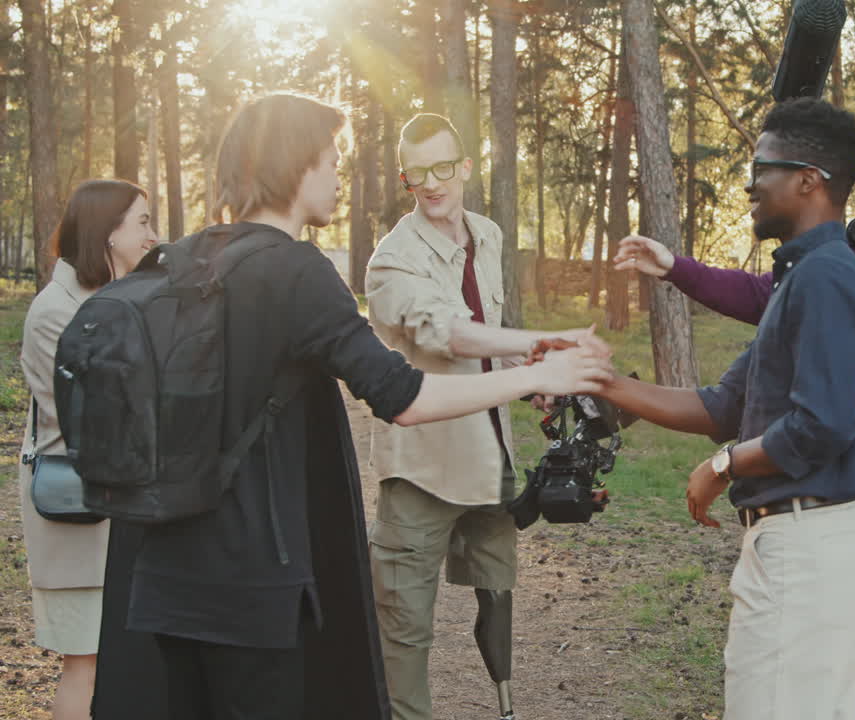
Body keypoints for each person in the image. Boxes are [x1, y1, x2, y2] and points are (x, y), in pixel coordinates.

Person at [93, 93, 611, 720]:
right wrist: (548, 368)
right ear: (298, 166)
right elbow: (403, 395)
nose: (340, 176)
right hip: (256, 579)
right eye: (332, 161)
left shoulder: (186, 256)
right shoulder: (299, 270)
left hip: (163, 570)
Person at [614, 121, 855, 720]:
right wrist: (674, 267)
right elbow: (771, 298)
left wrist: (846, 313)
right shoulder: (849, 257)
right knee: (842, 655)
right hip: (843, 476)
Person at [597, 97, 855, 719]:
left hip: (810, 552)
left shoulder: (827, 278)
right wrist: (609, 386)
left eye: (761, 168)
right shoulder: (801, 278)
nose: (749, 183)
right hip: (798, 543)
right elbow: (726, 405)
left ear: (808, 180)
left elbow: (824, 424)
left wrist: (724, 466)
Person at [364, 112, 598, 720]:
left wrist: (529, 381)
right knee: (404, 630)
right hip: (422, 472)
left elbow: (486, 345)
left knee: (498, 601)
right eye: (418, 174)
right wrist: (543, 350)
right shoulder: (390, 263)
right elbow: (450, 335)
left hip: (490, 463)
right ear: (405, 180)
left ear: (466, 166)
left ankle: (506, 707)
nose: (433, 183)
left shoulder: (488, 236)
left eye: (444, 167)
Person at [18, 179, 157, 720]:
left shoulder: (113, 298)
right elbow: (93, 416)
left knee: (124, 665)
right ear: (108, 232)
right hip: (75, 517)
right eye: (142, 222)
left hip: (116, 511)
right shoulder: (56, 312)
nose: (152, 234)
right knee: (87, 665)